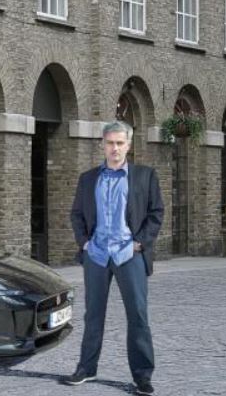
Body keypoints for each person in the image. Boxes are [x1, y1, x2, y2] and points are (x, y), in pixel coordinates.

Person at [63, 121, 164, 395]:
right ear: (103, 145)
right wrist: (84, 243)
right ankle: (87, 368)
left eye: (120, 143)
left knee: (138, 316)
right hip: (96, 255)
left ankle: (142, 376)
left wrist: (139, 244)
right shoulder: (88, 178)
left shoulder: (145, 176)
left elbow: (156, 213)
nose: (115, 148)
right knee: (92, 315)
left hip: (129, 255)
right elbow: (77, 214)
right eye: (110, 143)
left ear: (129, 145)